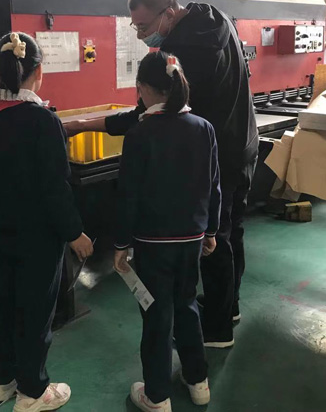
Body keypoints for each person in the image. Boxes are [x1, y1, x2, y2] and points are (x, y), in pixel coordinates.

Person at [66, 0, 258, 347]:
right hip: (243, 143)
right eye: (134, 26)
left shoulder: (184, 52)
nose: (140, 35)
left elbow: (146, 114)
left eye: (143, 26)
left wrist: (79, 125)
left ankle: (217, 330)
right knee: (231, 231)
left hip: (219, 156)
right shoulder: (214, 17)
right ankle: (227, 306)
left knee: (214, 241)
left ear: (168, 14)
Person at [0, 32, 94, 411]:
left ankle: (3, 380)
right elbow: (55, 187)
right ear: (38, 71)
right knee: (35, 312)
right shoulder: (43, 121)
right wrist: (74, 232)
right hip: (38, 238)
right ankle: (33, 391)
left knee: (4, 305)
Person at [114, 52, 220, 412]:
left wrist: (120, 243)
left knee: (157, 316)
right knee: (187, 305)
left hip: (152, 244)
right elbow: (214, 186)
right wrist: (211, 230)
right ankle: (198, 381)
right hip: (192, 239)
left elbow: (128, 196)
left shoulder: (139, 134)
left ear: (143, 88)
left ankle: (156, 396)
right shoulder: (203, 128)